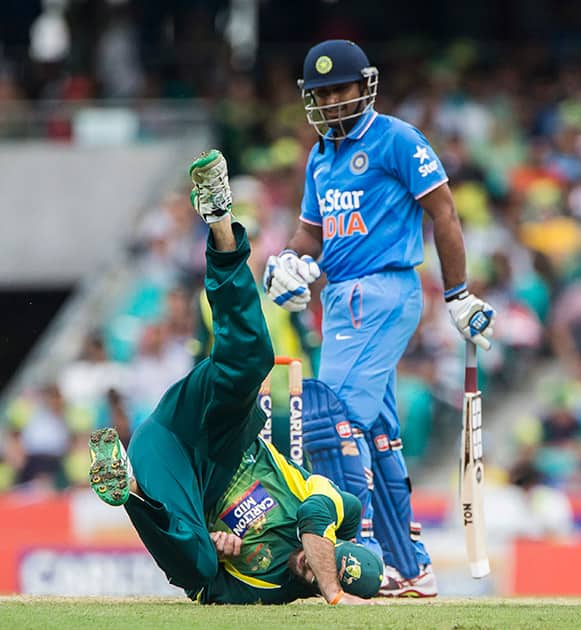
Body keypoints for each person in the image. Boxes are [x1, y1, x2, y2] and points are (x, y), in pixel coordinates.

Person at [88, 149, 382, 605]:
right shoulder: (338, 510)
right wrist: (334, 593)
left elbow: (204, 588)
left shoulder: (264, 592)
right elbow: (317, 511)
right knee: (253, 356)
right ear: (343, 542)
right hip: (223, 437)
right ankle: (220, 217)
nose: (316, 560)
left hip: (172, 469)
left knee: (199, 560)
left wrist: (215, 541)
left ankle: (126, 488)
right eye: (334, 554)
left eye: (332, 573)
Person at [263, 40, 496, 597]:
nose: (330, 100)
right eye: (320, 93)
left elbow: (442, 210)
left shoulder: (395, 139)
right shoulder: (321, 157)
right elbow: (310, 234)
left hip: (383, 291)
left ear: (364, 86)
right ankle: (409, 568)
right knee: (380, 435)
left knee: (328, 416)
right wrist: (291, 262)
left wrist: (459, 294)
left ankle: (357, 554)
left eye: (339, 89)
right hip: (341, 299)